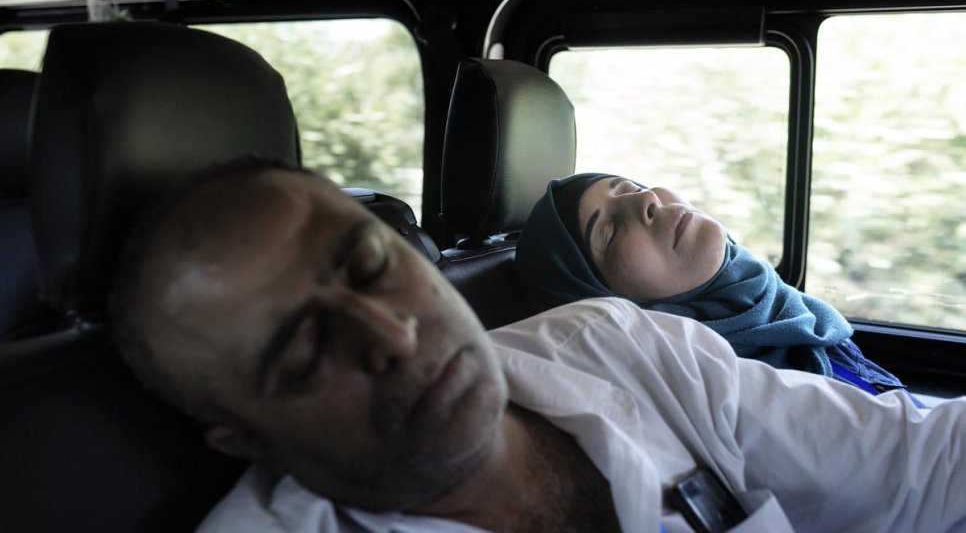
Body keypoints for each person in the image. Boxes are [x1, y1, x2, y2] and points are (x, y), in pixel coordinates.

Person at [110, 162, 966, 532]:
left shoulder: (619, 341)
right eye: (301, 353)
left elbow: (921, 469)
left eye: (369, 265)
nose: (392, 334)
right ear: (244, 436)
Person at [516, 173, 915, 401]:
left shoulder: (790, 318)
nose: (649, 199)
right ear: (601, 303)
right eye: (611, 231)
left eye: (633, 188)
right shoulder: (709, 392)